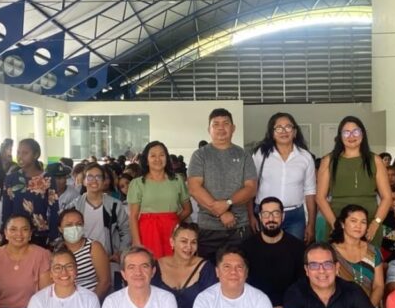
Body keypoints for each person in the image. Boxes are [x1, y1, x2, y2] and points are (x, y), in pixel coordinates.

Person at [187, 108, 257, 260]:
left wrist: (228, 203)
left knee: (238, 273)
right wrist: (221, 212)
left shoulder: (244, 155)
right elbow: (194, 188)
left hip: (239, 228)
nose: (221, 128)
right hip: (208, 229)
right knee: (209, 275)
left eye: (225, 123)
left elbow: (251, 188)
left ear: (233, 128)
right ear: (209, 129)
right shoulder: (200, 155)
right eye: (216, 124)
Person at [315, 117, 394, 246]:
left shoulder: (375, 160)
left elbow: (387, 197)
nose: (351, 136)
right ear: (340, 136)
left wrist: (376, 222)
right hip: (337, 221)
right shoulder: (328, 160)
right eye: (346, 132)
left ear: (363, 134)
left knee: (369, 263)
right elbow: (320, 198)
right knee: (339, 264)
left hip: (368, 224)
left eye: (355, 132)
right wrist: (335, 224)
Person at [152, 222, 218, 308]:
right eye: (184, 241)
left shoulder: (205, 267)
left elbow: (213, 306)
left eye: (193, 242)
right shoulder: (156, 266)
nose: (189, 247)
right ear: (172, 242)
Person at [251, 112, 317, 241]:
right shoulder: (261, 154)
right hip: (265, 215)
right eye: (279, 128)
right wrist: (251, 216)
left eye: (288, 127)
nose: (284, 131)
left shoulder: (305, 157)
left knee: (293, 255)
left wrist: (311, 225)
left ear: (295, 132)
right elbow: (251, 186)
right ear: (272, 132)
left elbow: (310, 192)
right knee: (265, 255)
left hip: (295, 217)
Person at [241, 197, 305, 308]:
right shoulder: (246, 248)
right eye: (266, 214)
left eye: (276, 214)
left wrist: (288, 307)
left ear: (283, 216)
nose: (271, 219)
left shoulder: (298, 248)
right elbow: (243, 283)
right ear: (260, 217)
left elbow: (301, 285)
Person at [128, 141, 192, 259]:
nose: (158, 159)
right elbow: (133, 216)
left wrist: (174, 221)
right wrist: (137, 242)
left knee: (173, 267)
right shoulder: (137, 183)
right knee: (151, 267)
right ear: (146, 160)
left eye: (162, 155)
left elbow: (188, 209)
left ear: (167, 158)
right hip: (147, 232)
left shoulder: (177, 180)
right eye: (153, 156)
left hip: (172, 231)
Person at [66, 163, 131, 261]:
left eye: (98, 177)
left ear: (104, 181)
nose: (94, 181)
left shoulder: (115, 205)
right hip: (80, 259)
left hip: (108, 258)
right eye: (90, 177)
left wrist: (120, 252)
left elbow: (126, 231)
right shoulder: (75, 206)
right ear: (83, 181)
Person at [2, 138, 59, 247]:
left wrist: (53, 235)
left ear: (36, 155)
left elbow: (54, 209)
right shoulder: (10, 179)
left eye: (25, 153)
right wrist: (5, 233)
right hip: (16, 235)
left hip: (40, 234)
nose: (20, 156)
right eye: (18, 152)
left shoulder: (47, 179)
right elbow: (6, 210)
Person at [330, 205, 384, 308]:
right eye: (353, 221)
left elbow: (379, 286)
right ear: (342, 224)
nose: (358, 226)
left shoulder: (373, 252)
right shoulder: (330, 253)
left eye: (363, 222)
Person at [58, 208, 111, 300]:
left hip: (92, 300)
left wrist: (90, 304)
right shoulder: (57, 251)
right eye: (69, 225)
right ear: (60, 229)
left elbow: (105, 282)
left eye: (78, 224)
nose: (74, 228)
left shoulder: (94, 247)